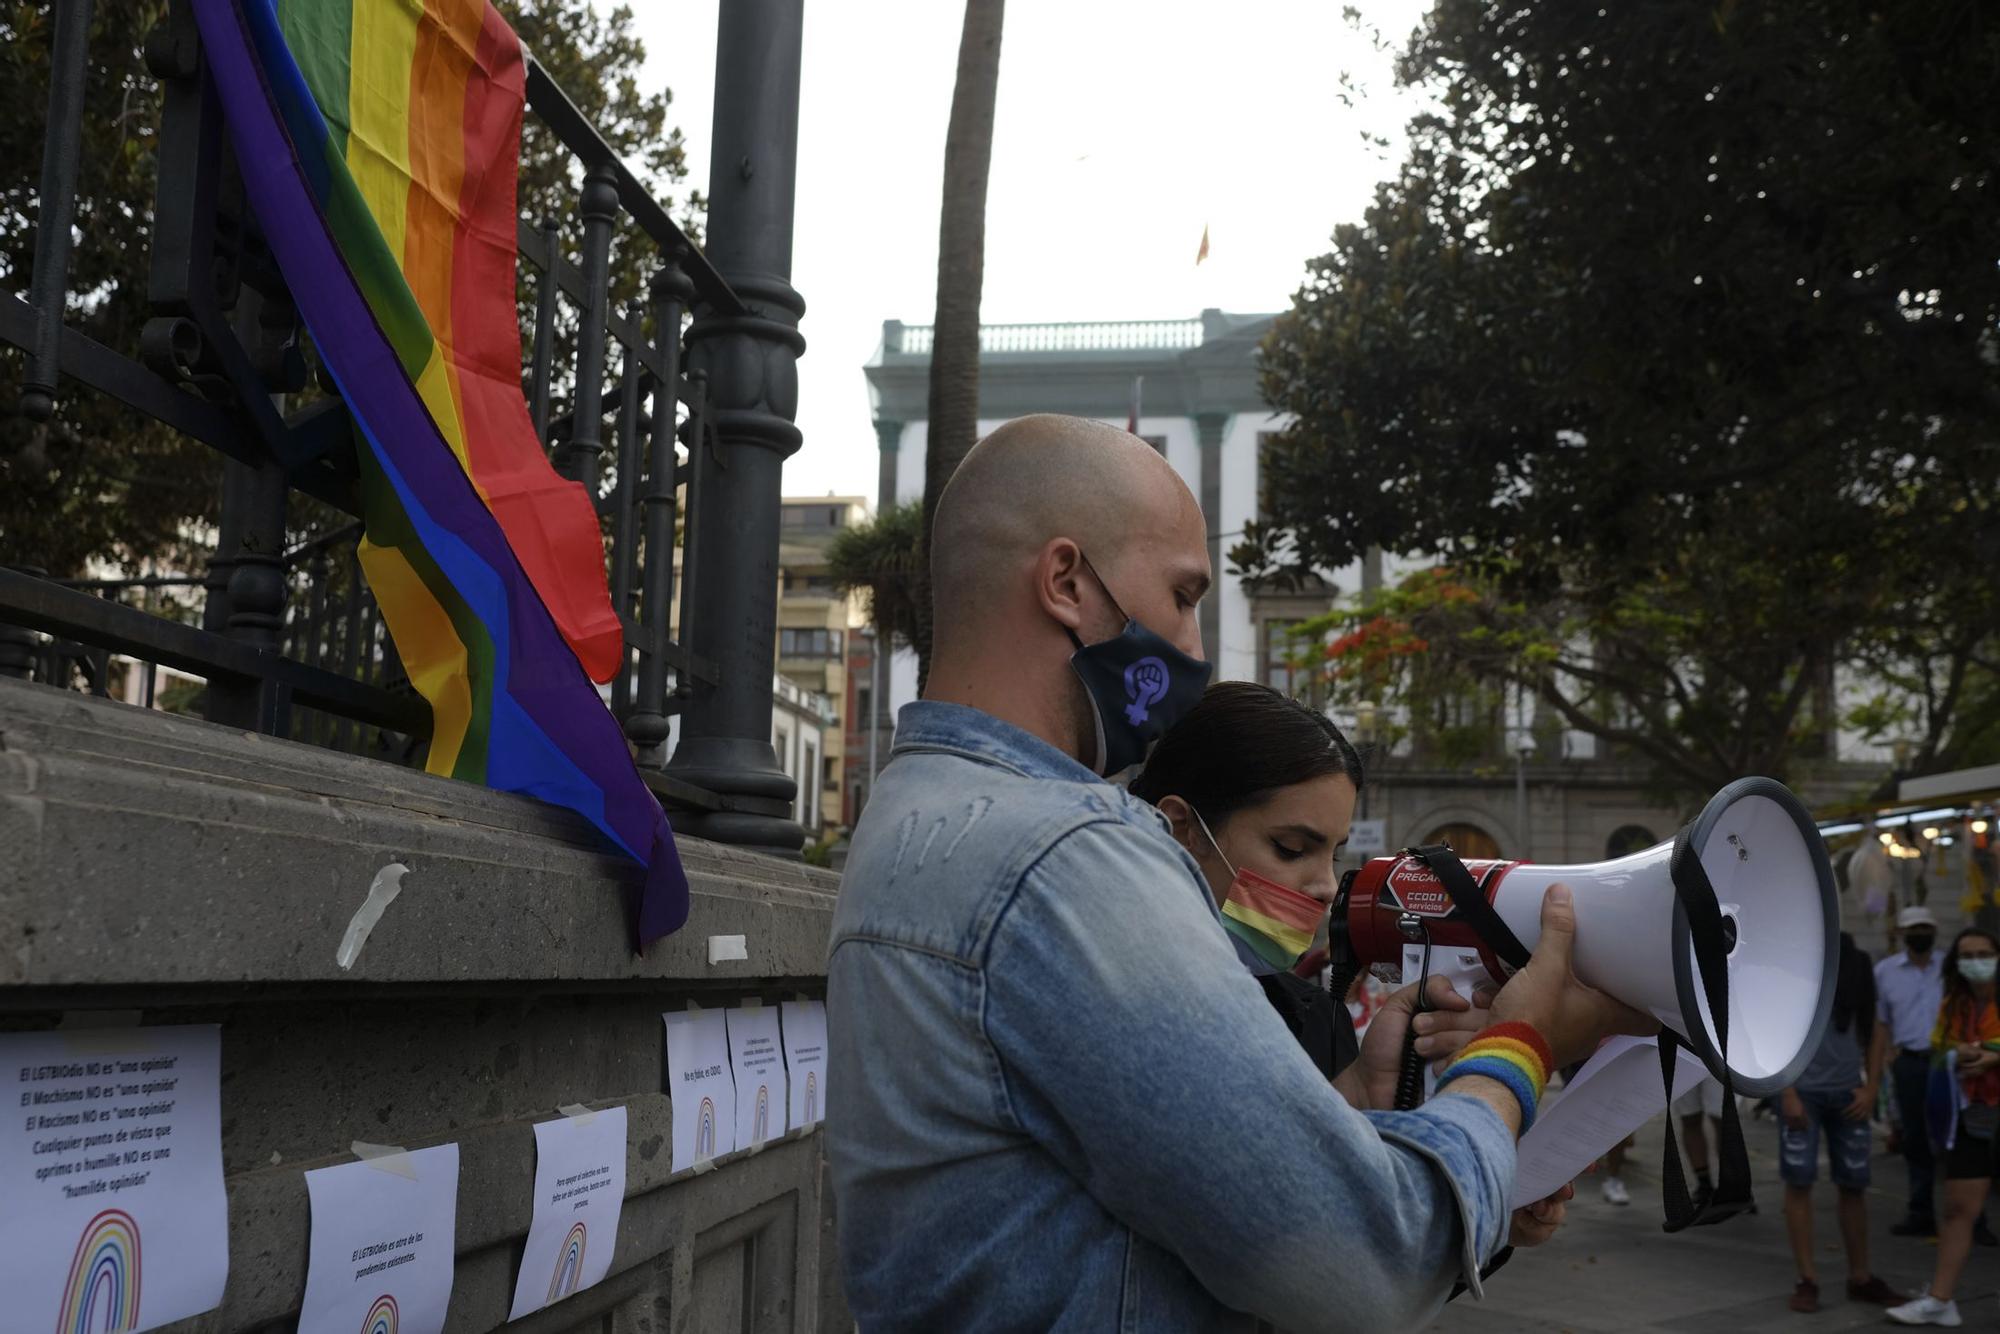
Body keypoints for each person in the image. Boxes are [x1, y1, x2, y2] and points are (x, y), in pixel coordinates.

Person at [825, 416, 1655, 1332]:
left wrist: (1356, 1110)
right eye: (1182, 595)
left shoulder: (919, 809)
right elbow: (1367, 1263)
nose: (1195, 646)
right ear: (1066, 582)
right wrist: (1520, 1047)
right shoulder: (1064, 852)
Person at [1127, 680, 1575, 1248]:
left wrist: (1477, 1211)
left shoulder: (1319, 1020)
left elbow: (1351, 1259)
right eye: (1292, 848)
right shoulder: (1100, 1005)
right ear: (1181, 829)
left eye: (1335, 853)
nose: (1323, 885)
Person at [1776, 931, 1903, 1313]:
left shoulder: (1856, 963)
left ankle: (1860, 1276)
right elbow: (1775, 1029)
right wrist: (1787, 1094)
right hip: (1804, 1095)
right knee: (1799, 1183)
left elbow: (1875, 1030)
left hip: (1849, 1093)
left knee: (1854, 1185)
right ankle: (1807, 1278)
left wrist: (1871, 1086)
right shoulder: (1794, 963)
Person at [1888, 927, 2000, 1327]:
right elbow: (1939, 1050)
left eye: (1984, 952)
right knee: (1957, 1209)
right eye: (1967, 955)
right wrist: (1957, 1053)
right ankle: (1940, 1300)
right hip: (1971, 1114)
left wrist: (1991, 1055)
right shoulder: (1955, 1004)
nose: (1976, 961)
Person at [1872, 906, 1946, 1237]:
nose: (1920, 934)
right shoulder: (1885, 972)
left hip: (1950, 1062)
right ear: (1901, 934)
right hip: (1910, 1063)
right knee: (1915, 1138)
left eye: (1925, 928)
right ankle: (1921, 1210)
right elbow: (1881, 1022)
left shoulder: (1949, 967)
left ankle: (1973, 1217)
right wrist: (1884, 1061)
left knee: (1959, 1138)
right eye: (1913, 929)